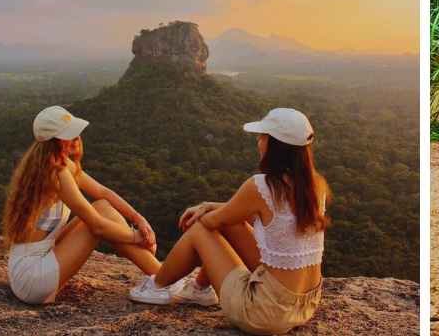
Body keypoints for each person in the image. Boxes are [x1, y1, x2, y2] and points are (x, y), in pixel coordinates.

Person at [131, 108, 329, 335]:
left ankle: (157, 286)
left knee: (199, 229)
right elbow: (239, 213)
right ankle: (199, 289)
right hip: (305, 304)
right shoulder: (315, 185)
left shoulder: (261, 185)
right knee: (229, 222)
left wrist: (204, 211)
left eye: (263, 137)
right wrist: (209, 205)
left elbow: (213, 222)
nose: (259, 141)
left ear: (275, 146)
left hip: (264, 314)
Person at [2, 105, 161, 304]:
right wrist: (139, 237)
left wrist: (139, 219)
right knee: (100, 220)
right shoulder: (55, 172)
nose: (77, 138)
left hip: (37, 261)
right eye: (71, 135)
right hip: (32, 277)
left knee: (102, 206)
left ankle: (162, 276)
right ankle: (165, 278)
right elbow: (97, 226)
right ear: (56, 142)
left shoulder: (55, 161)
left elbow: (103, 192)